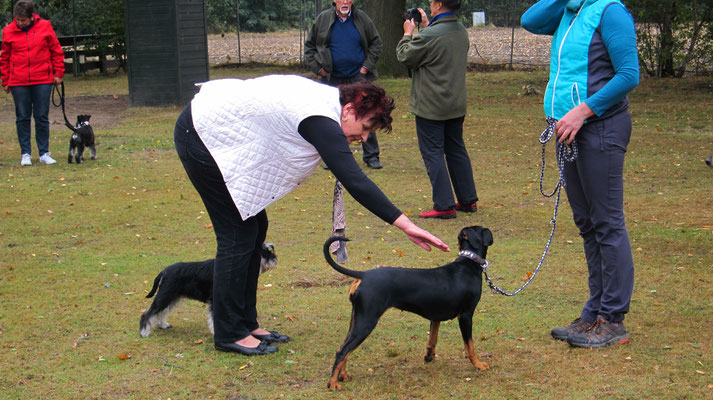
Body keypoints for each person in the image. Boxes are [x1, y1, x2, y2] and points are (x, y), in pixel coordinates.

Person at [174, 75, 450, 356]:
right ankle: (229, 332)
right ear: (350, 110)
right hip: (201, 135)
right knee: (237, 233)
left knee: (255, 226)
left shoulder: (329, 108)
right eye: (366, 128)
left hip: (217, 129)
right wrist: (407, 225)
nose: (364, 138)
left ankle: (245, 322)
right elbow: (356, 181)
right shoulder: (320, 118)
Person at [521, 0, 639, 348]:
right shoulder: (570, 9)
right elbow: (530, 19)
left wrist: (583, 111)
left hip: (601, 127)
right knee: (587, 223)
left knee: (607, 222)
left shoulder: (610, 11)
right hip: (568, 130)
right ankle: (594, 313)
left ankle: (613, 319)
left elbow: (629, 74)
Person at [396, 0, 479, 220]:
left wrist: (408, 32)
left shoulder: (430, 35)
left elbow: (405, 55)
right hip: (455, 103)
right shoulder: (460, 31)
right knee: (456, 150)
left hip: (431, 105)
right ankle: (468, 199)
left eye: (432, 1)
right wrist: (427, 26)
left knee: (433, 152)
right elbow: (435, 52)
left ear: (439, 4)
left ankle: (444, 204)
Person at [304, 0, 384, 170]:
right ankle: (331, 155)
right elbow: (309, 47)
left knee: (366, 114)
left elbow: (376, 44)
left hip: (357, 77)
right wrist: (319, 69)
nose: (345, 2)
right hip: (332, 78)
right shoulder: (323, 19)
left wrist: (365, 68)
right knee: (331, 117)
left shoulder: (362, 18)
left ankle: (371, 156)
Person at [1, 0, 64, 166]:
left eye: (23, 20)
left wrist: (58, 72)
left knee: (41, 116)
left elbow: (56, 50)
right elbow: (5, 57)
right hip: (18, 81)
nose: (20, 23)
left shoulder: (45, 26)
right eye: (17, 20)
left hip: (42, 78)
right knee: (22, 116)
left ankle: (44, 152)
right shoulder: (8, 31)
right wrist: (5, 79)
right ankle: (25, 153)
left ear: (31, 17)